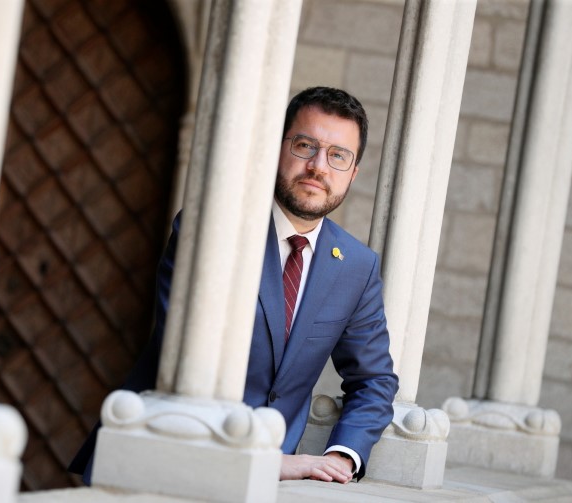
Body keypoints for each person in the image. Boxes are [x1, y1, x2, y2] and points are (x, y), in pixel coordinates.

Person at [69, 86, 398, 485]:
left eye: (338, 156)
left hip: (266, 484)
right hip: (160, 460)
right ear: (276, 147)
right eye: (304, 145)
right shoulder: (211, 228)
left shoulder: (356, 267)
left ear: (353, 172)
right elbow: (189, 347)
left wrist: (342, 456)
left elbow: (374, 381)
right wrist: (262, 458)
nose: (318, 166)